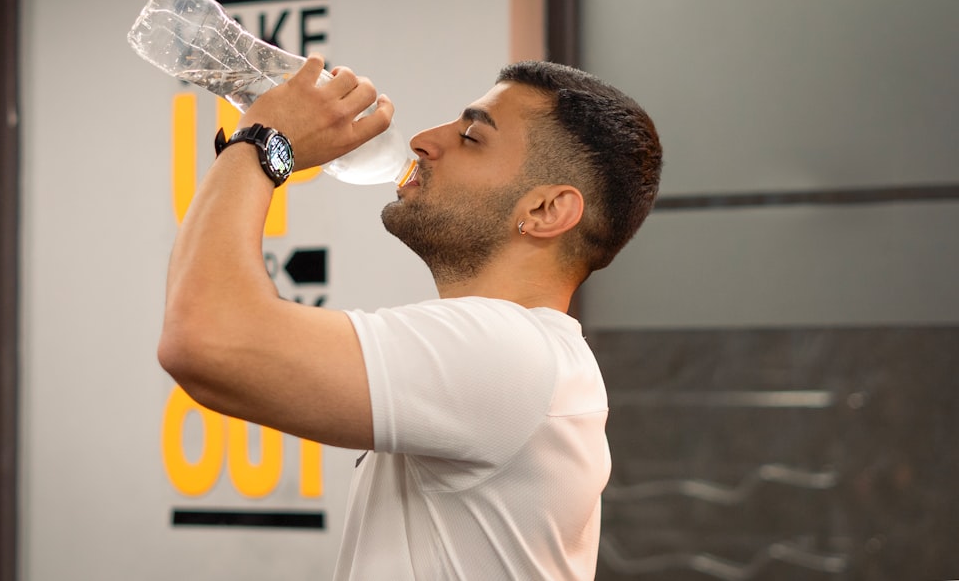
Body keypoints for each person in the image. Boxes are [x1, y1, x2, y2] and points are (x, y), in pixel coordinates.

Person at [157, 54, 663, 580]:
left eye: (472, 136)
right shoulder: (527, 360)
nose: (423, 140)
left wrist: (265, 142)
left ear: (545, 211)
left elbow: (206, 339)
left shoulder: (510, 353)